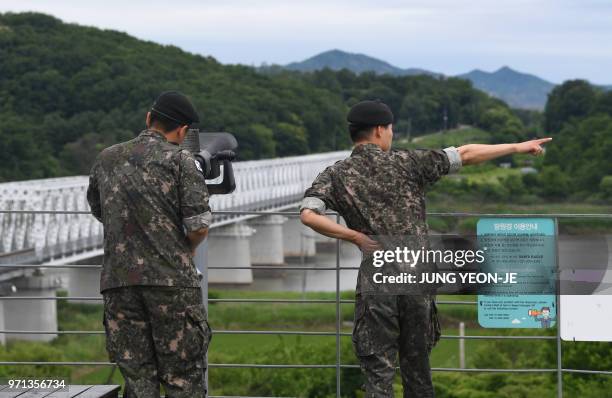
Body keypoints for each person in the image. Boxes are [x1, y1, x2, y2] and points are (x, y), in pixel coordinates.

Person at [299, 100, 551, 397]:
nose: (391, 135)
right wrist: (518, 147)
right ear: (380, 130)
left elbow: (308, 214)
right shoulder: (408, 162)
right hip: (418, 279)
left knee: (378, 371)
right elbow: (465, 154)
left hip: (378, 280)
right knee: (417, 367)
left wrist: (354, 236)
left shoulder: (336, 174)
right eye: (390, 129)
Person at [87, 91, 213, 398]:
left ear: (148, 118)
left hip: (118, 284)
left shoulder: (106, 158)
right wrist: (186, 248)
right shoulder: (181, 160)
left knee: (138, 378)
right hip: (171, 284)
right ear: (183, 131)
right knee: (182, 377)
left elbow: (99, 209)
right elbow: (198, 225)